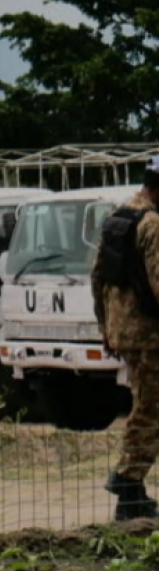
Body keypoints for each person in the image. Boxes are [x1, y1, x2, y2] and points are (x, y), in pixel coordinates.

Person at [91, 155, 159, 521]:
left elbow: (97, 277)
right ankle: (128, 481)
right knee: (150, 410)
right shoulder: (151, 224)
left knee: (146, 405)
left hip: (125, 332)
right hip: (150, 335)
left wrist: (106, 327)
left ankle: (131, 491)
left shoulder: (118, 218)